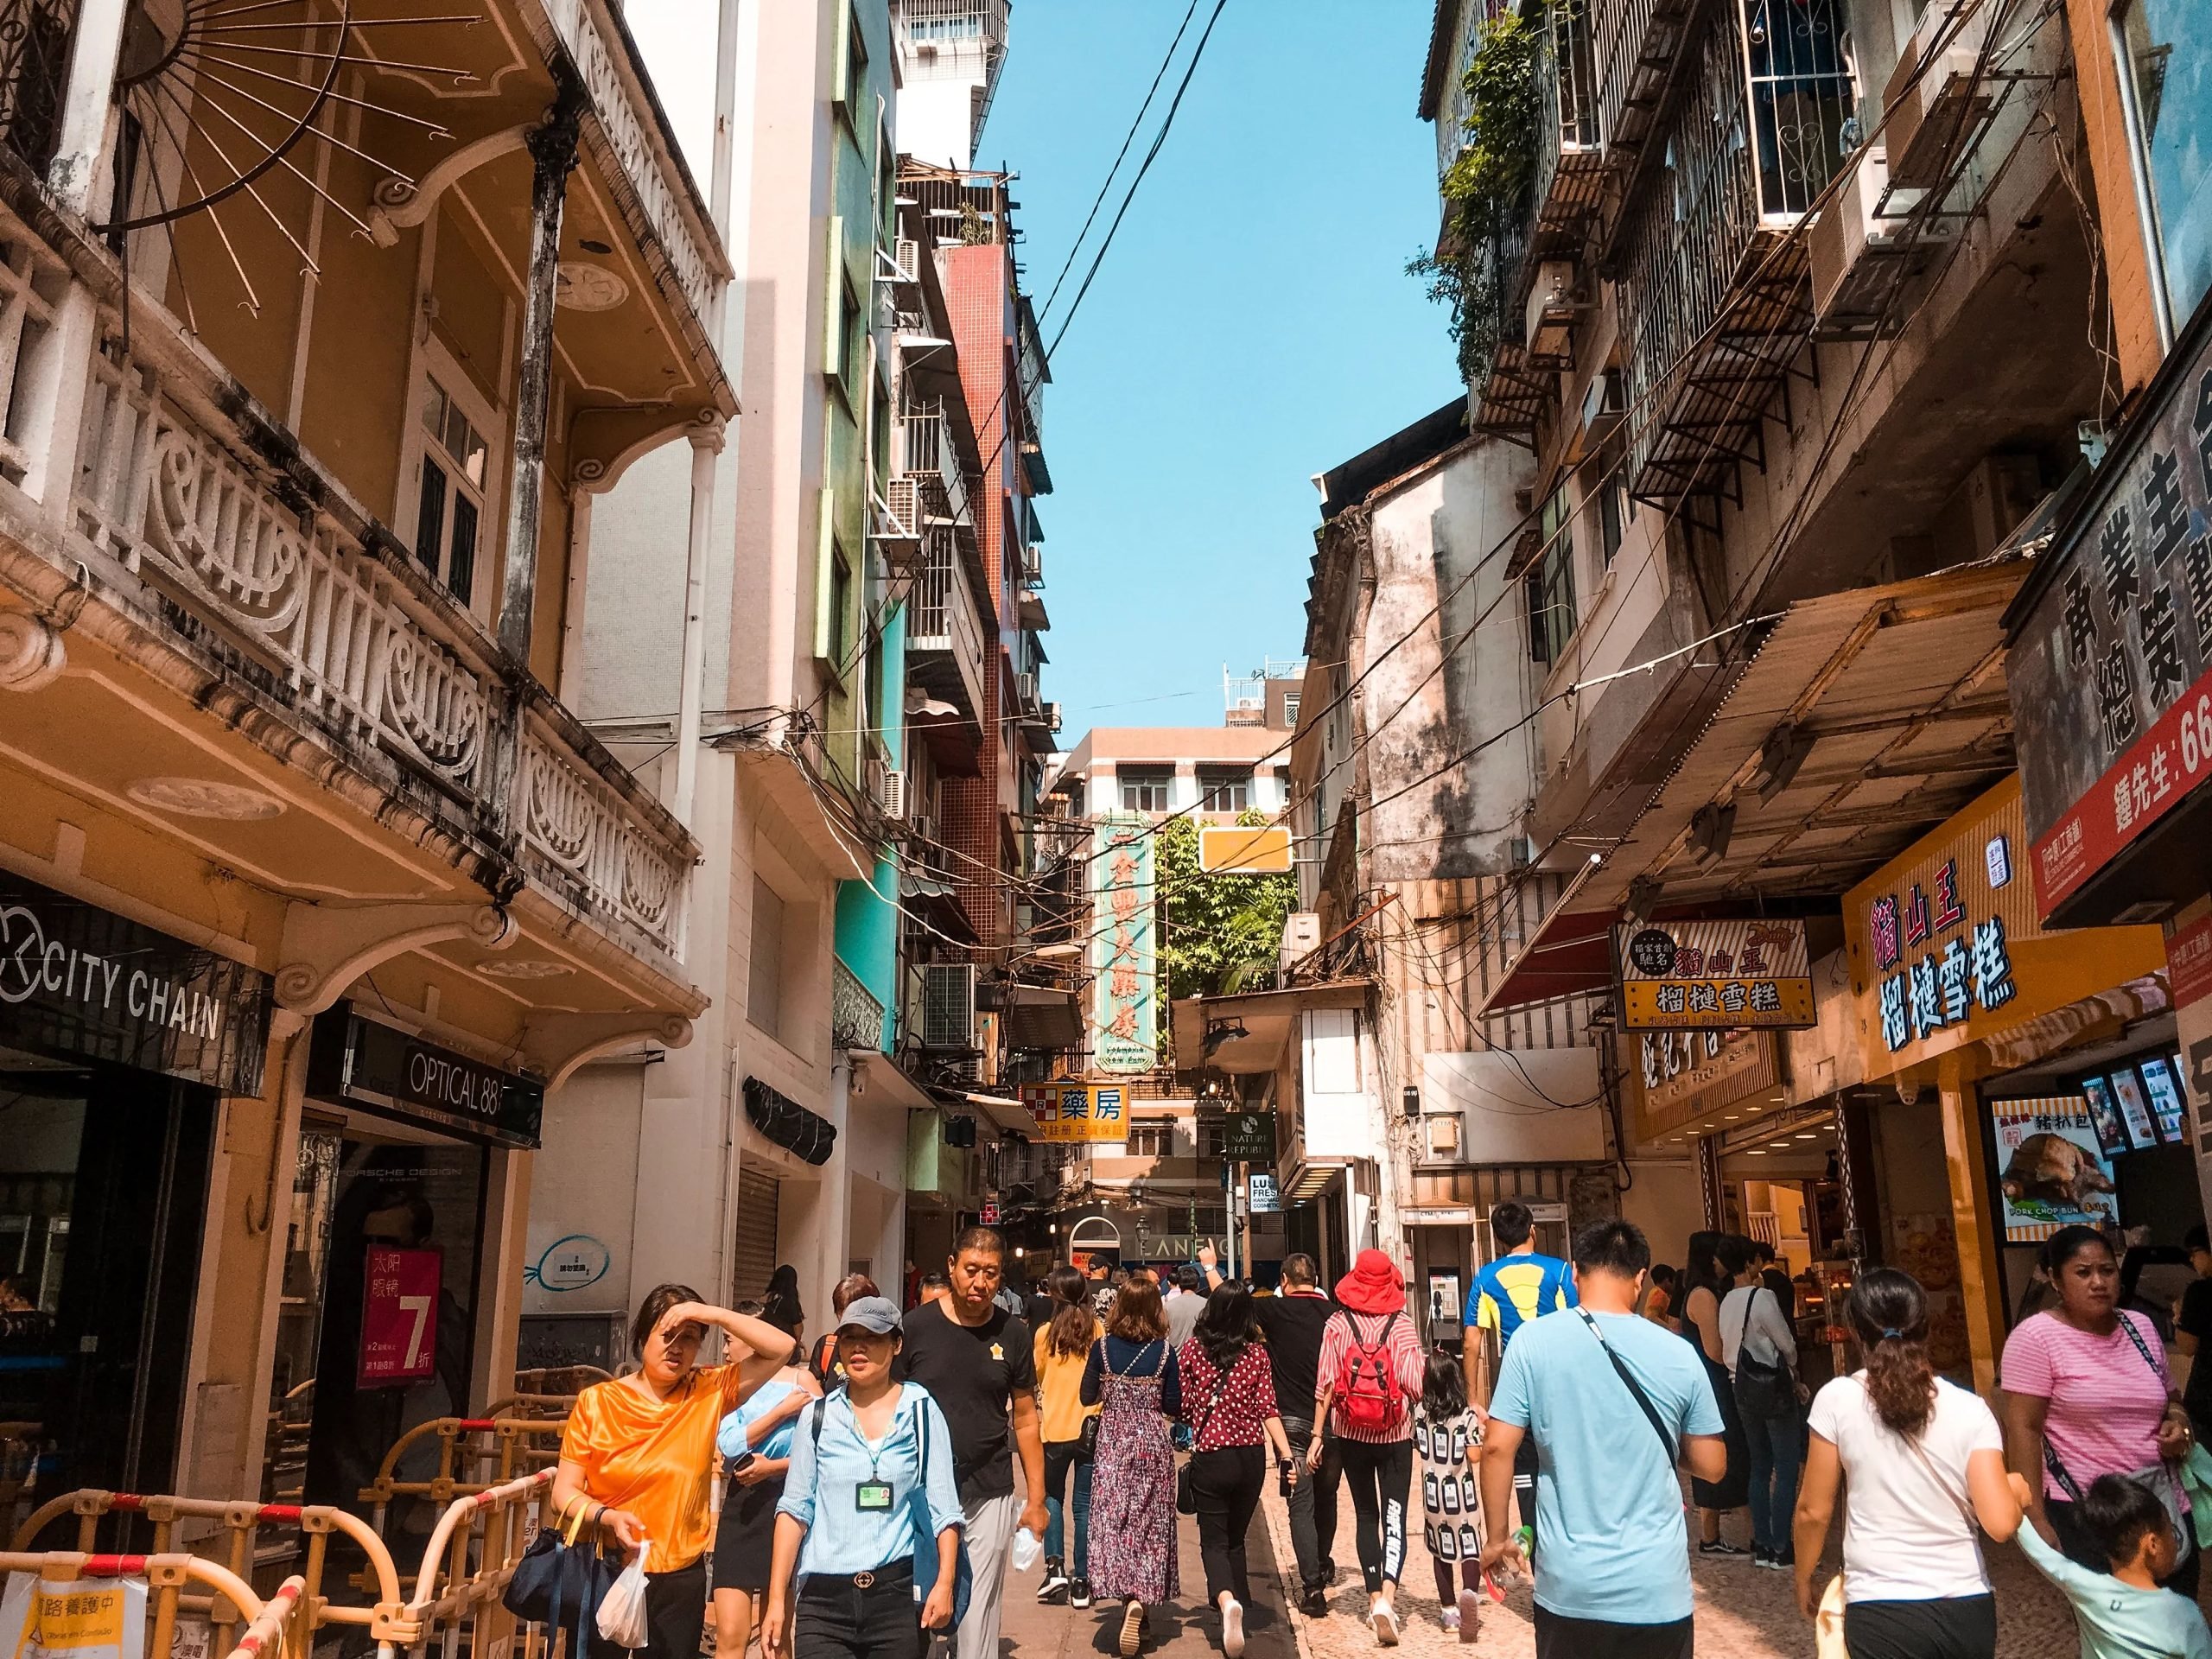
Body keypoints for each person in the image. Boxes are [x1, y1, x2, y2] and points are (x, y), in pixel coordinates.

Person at [1480, 1219, 1726, 1659]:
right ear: (1640, 1277)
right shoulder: (1678, 1353)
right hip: (1657, 1590)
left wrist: (1498, 1538)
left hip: (1570, 1589)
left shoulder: (1531, 1344)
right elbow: (1712, 1464)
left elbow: (1498, 1447)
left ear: (1575, 1274)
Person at [551, 1287, 804, 1659]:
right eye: (667, 1335)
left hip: (679, 1578)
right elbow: (564, 1492)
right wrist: (606, 1516)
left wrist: (710, 1314)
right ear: (643, 1337)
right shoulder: (597, 1403)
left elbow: (782, 1347)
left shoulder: (708, 1392)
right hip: (607, 1569)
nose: (677, 1348)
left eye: (689, 1339)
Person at [1793, 1268, 2022, 1659]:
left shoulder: (1837, 1399)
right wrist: (2016, 1489)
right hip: (1966, 1608)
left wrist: (1803, 1578)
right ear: (1927, 1330)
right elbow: (2000, 1524)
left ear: (1855, 1333)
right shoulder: (1971, 1409)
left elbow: (1813, 1511)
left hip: (1880, 1608)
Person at [761, 1298, 963, 1659]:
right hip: (823, 1603)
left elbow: (945, 1509)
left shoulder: (920, 1410)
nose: (858, 1347)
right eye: (849, 1337)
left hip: (896, 1598)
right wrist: (777, 1599)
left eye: (872, 1337)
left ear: (896, 1344)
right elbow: (793, 1511)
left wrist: (945, 1582)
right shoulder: (817, 1417)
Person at [2004, 1225, 2200, 1595]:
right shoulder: (2035, 1338)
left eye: (2107, 1270)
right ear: (2055, 1279)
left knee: (2181, 1620)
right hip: (2087, 1511)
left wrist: (2178, 1424)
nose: (2098, 1282)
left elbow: (2172, 1399)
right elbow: (2024, 1428)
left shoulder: (2140, 1327)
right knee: (2119, 1634)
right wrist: (2034, 1517)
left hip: (2161, 1503)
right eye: (2083, 1272)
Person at [895, 1227, 1050, 1659]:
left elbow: (1025, 1419)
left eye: (991, 1273)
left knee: (978, 1609)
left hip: (989, 1488)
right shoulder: (915, 1328)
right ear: (951, 1267)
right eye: (970, 1270)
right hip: (918, 1492)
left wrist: (1036, 1500)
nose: (979, 1283)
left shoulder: (1013, 1335)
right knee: (916, 1603)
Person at [1177, 1284, 1296, 1659]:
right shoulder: (1257, 1354)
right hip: (1250, 1458)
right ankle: (1240, 1605)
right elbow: (1269, 1409)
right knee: (1237, 1538)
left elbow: (1179, 1405)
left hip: (1212, 1456)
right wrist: (1286, 1454)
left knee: (1212, 1540)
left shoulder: (1194, 1352)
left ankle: (1227, 1601)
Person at [1314, 1249, 1424, 1645]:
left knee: (1365, 1516)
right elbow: (1414, 1383)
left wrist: (1315, 1435)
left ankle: (1372, 1595)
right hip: (1395, 1436)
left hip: (1350, 1434)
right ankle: (1388, 1601)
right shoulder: (1403, 1326)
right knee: (1394, 1516)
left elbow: (1325, 1384)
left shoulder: (1337, 1324)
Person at [1461, 1201, 1575, 1553]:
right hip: (1560, 1386)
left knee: (1523, 1470)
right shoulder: (1559, 1272)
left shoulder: (1485, 1278)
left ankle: (1534, 1548)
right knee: (1565, 1468)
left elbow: (1471, 1342)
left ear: (1498, 1240)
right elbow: (1579, 1323)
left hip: (1516, 1389)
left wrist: (1474, 1399)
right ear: (1532, 1232)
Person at [715, 1303, 823, 1659]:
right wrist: (781, 1413)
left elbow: (826, 1450)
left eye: (731, 1340)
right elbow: (729, 1444)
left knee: (775, 1637)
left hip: (788, 1504)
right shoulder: (728, 1383)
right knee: (731, 1633)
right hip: (741, 1505)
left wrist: (773, 1467)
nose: (727, 1349)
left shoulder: (802, 1381)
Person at [2008, 1471, 2212, 1659]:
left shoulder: (2087, 1588)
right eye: (2171, 1533)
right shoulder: (2184, 1614)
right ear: (2153, 1545)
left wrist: (2014, 1501)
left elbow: (2041, 1554)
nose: (2175, 1542)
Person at [1084, 1278, 1181, 1656]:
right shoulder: (1163, 1352)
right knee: (1150, 1523)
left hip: (1113, 1444)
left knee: (1115, 1520)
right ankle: (1141, 1596)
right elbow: (1173, 1404)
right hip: (1152, 1444)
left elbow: (1086, 1395)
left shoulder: (1103, 1348)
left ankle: (1126, 1595)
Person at [1255, 1251, 1340, 1615]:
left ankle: (1312, 1588)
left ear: (1285, 1281)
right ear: (1316, 1280)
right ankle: (1322, 1560)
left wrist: (1210, 1267)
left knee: (1300, 1502)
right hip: (1334, 1421)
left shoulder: (1273, 1311)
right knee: (1328, 1495)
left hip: (1289, 1422)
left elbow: (1228, 1301)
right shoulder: (1335, 1315)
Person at [1717, 1233, 1802, 1569]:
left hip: (1741, 1388)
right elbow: (1786, 1343)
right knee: (1785, 1467)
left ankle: (1763, 1545)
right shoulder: (1762, 1297)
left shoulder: (1725, 1301)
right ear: (1751, 1262)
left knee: (1758, 1465)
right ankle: (1782, 1546)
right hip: (1772, 1387)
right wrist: (1794, 1367)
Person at [1678, 1230, 1751, 1555]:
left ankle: (1712, 1534)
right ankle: (1713, 1535)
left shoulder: (1695, 1291)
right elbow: (1715, 1349)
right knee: (1725, 1450)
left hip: (1705, 1380)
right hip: (1714, 1382)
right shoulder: (1704, 1295)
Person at [1033, 1265, 1101, 1609]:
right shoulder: (1097, 1330)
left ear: (1054, 1295)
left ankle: (1055, 1566)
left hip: (1055, 1429)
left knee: (1052, 1497)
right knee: (1084, 1504)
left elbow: (1039, 1375)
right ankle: (1083, 1580)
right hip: (1091, 1428)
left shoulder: (1045, 1335)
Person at [1414, 1347, 1487, 1643]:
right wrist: (1484, 1429)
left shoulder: (1419, 1413)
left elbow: (1417, 1446)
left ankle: (1448, 1612)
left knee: (1440, 1553)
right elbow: (1475, 1455)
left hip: (1434, 1499)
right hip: (1463, 1498)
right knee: (1469, 1550)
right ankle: (1469, 1595)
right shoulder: (1465, 1416)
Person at [2171, 1225, 2212, 1444]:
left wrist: (2180, 1316)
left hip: (2206, 1403)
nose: (2192, 1260)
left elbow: (2187, 1347)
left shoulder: (2200, 1291)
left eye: (2194, 1253)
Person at [809, 1274, 879, 1392]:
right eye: (841, 1309)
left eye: (852, 1309)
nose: (846, 1315)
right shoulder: (827, 1345)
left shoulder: (884, 1346)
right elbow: (813, 1392)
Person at [1164, 1265, 1206, 1351]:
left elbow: (1164, 1333)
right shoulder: (1206, 1304)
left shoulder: (1168, 1306)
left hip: (1176, 1357)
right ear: (1198, 1284)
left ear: (1179, 1284)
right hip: (1198, 1357)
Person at [764, 1265, 805, 1344]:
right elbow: (798, 1330)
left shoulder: (765, 1298)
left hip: (764, 1342)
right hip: (782, 1345)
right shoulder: (790, 1302)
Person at [1642, 1265, 1679, 1332]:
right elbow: (1651, 1317)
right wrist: (1671, 1330)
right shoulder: (1659, 1294)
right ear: (1667, 1280)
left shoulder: (1655, 1292)